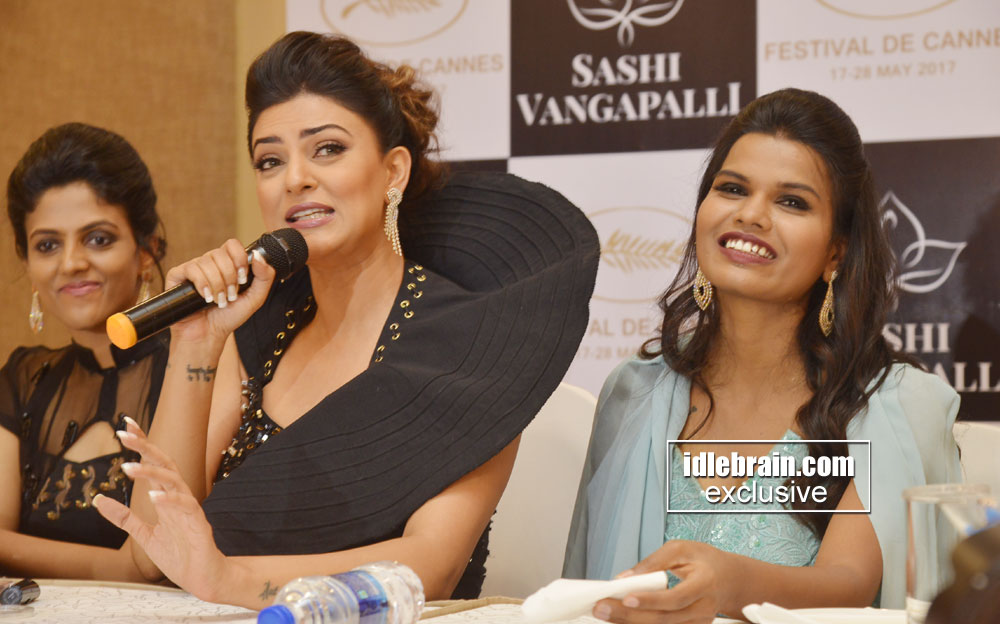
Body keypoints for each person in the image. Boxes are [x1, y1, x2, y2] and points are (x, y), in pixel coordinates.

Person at [94, 31, 599, 608]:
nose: (295, 178)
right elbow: (151, 548)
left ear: (394, 172)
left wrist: (229, 581)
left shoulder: (475, 344)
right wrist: (196, 342)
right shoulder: (253, 330)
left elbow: (430, 566)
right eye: (270, 160)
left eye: (327, 148)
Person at [563, 88, 961, 621]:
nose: (751, 214)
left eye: (792, 202)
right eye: (732, 188)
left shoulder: (888, 406)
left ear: (836, 253)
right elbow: (586, 592)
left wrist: (732, 584)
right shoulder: (633, 393)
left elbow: (850, 582)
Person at [0, 123, 168, 579]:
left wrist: (135, 567)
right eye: (47, 245)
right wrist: (122, 567)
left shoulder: (196, 369)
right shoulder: (23, 379)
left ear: (146, 251)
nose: (71, 263)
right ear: (28, 263)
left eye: (98, 238)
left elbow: (159, 562)